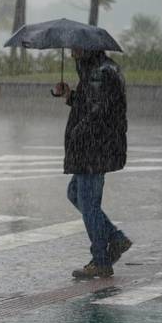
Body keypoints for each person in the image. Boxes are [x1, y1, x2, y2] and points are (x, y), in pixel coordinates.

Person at [53, 49, 133, 279]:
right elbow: (92, 103)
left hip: (93, 148)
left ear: (86, 49)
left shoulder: (99, 73)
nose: (70, 52)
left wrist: (79, 132)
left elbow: (98, 112)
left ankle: (100, 259)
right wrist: (70, 95)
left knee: (88, 202)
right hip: (96, 147)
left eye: (74, 48)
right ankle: (115, 238)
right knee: (75, 193)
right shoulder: (98, 70)